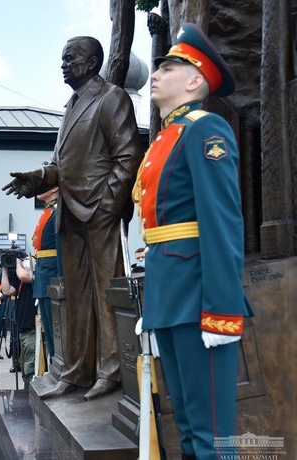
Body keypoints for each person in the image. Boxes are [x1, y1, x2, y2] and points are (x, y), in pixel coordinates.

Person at [133, 23, 253, 460]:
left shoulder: (206, 130)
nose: (157, 74)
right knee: (185, 425)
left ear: (195, 80)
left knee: (211, 436)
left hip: (201, 299)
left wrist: (221, 311)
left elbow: (221, 223)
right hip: (171, 292)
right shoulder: (167, 135)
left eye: (169, 66)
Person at [2, 36, 143, 401]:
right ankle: (76, 371)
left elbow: (128, 156)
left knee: (105, 294)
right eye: (62, 59)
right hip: (70, 214)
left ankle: (111, 371)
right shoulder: (71, 105)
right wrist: (35, 179)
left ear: (93, 62)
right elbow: (59, 166)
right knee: (78, 298)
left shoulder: (112, 98)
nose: (64, 64)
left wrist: (107, 207)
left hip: (99, 213)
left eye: (71, 58)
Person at [32, 185, 63, 363]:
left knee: (56, 330)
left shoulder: (57, 212)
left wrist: (61, 278)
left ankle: (59, 367)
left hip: (52, 274)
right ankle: (54, 366)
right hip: (44, 273)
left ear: (55, 188)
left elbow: (62, 247)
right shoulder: (49, 211)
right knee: (50, 331)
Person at [0, 255, 37, 388]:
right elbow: (6, 290)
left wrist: (18, 263)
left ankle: (29, 394)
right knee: (26, 365)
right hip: (23, 327)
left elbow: (24, 276)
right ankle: (27, 391)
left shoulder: (37, 273)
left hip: (34, 328)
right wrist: (4, 269)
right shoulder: (20, 280)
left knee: (30, 366)